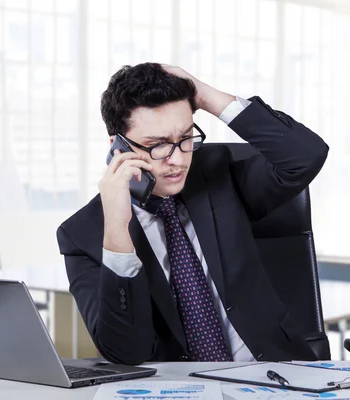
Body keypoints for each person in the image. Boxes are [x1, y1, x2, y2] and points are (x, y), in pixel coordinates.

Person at [57, 62, 329, 365]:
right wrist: (118, 231)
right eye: (157, 145)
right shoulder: (82, 235)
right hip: (176, 389)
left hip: (273, 373)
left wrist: (204, 95)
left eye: (186, 138)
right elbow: (125, 352)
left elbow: (305, 155)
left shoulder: (215, 173)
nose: (177, 159)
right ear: (117, 147)